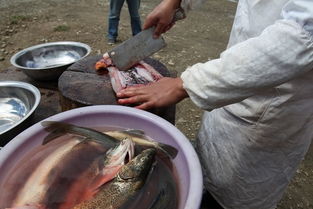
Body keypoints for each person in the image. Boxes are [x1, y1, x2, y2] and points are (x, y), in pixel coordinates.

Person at [116, 0, 313, 208]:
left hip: (272, 111)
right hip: (232, 79)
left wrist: (184, 85)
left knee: (232, 199)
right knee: (205, 176)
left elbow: (302, 36)